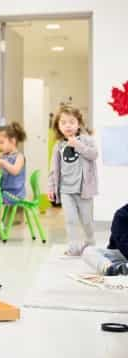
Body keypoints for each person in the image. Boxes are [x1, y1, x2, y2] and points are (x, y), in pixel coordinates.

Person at [48, 105, 98, 256]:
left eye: (71, 122)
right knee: (70, 220)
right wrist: (51, 187)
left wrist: (78, 145)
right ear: (58, 126)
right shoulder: (58, 146)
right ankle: (74, 247)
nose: (67, 126)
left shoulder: (87, 140)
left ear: (78, 123)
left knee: (87, 220)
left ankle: (90, 242)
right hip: (65, 190)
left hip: (84, 189)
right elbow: (53, 169)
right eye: (63, 122)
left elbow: (94, 154)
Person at [0, 122, 27, 205]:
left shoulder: (20, 157)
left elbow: (15, 171)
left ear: (12, 141)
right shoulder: (3, 155)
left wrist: (2, 162)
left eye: (1, 142)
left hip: (14, 194)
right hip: (4, 192)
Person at [82, 203, 128, 275]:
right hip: (121, 253)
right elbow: (123, 243)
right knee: (88, 251)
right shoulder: (121, 215)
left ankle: (123, 267)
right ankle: (110, 269)